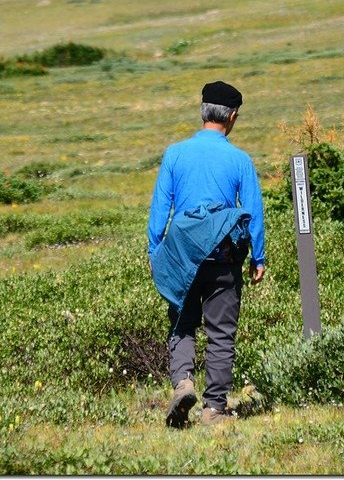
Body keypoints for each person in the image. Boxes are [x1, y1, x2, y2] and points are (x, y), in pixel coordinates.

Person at [147, 80, 266, 428]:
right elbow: (254, 212)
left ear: (203, 112)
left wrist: (156, 251)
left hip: (182, 253)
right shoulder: (240, 159)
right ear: (230, 116)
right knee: (221, 331)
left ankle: (183, 382)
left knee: (183, 322)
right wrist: (258, 256)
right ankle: (214, 408)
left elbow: (159, 210)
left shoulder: (175, 153)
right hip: (223, 254)